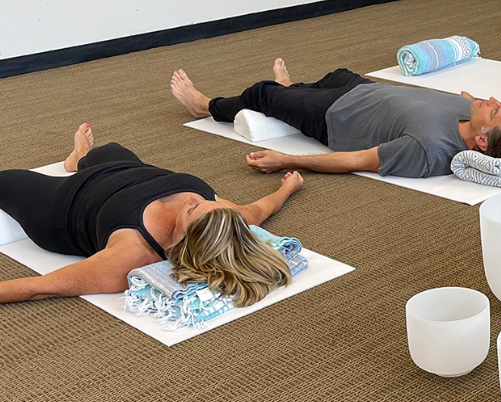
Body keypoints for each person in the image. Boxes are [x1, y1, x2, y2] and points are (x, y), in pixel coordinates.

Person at [0, 124, 304, 306]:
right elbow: (264, 207)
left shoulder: (134, 254)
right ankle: (79, 158)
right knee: (108, 149)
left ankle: (80, 163)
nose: (193, 198)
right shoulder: (228, 220)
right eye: (207, 200)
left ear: (185, 238)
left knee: (6, 181)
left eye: (193, 208)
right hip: (126, 171)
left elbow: (39, 287)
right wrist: (289, 187)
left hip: (63, 205)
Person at [170, 58, 501, 178]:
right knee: (337, 74)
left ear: (480, 142)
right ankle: (292, 90)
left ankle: (205, 107)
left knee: (264, 93)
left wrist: (287, 158)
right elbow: (464, 101)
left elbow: (357, 161)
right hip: (361, 89)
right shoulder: (472, 114)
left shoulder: (427, 150)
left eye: (493, 109)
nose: (488, 100)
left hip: (333, 118)